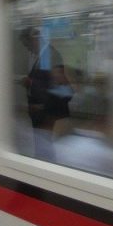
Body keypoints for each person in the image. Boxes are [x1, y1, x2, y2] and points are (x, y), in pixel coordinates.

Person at [20, 27, 72, 161]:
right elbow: (44, 80)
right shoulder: (43, 56)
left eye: (27, 45)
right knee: (42, 147)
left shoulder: (50, 55)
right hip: (41, 113)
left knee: (45, 148)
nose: (28, 49)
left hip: (47, 113)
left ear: (34, 40)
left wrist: (42, 106)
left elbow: (58, 86)